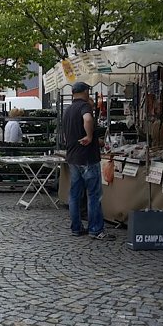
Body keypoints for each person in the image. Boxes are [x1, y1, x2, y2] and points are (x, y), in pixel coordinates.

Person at [63, 81, 113, 240]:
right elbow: (88, 120)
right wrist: (90, 137)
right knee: (93, 195)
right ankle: (96, 229)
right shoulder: (85, 107)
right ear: (85, 92)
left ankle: (76, 227)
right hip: (87, 157)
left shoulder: (68, 109)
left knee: (75, 195)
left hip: (73, 157)